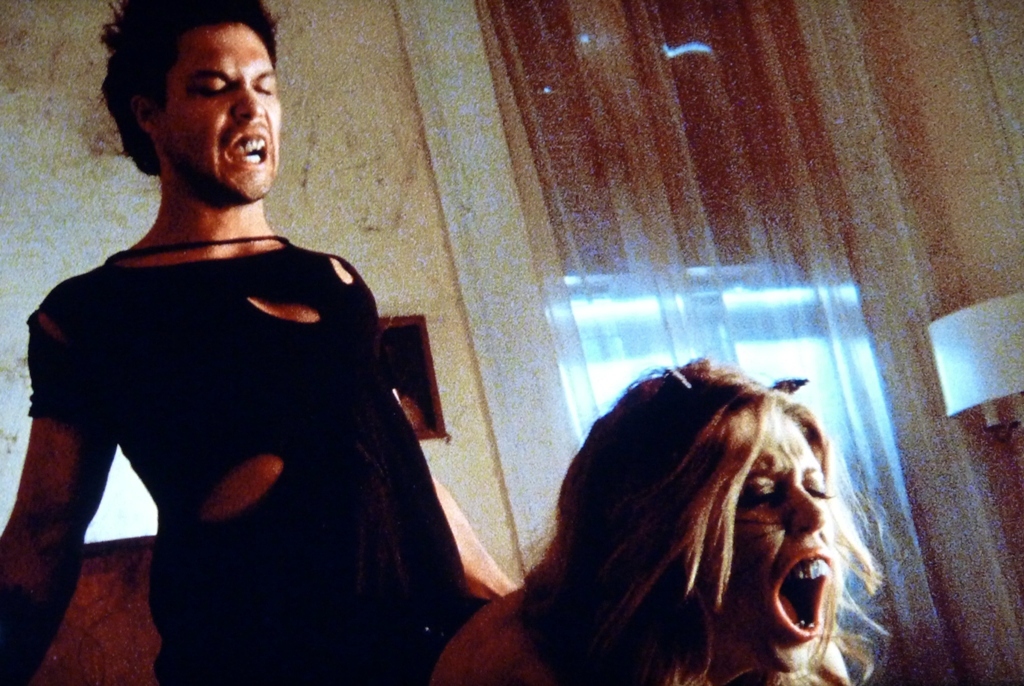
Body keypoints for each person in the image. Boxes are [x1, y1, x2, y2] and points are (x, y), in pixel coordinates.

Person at [0, 1, 513, 684]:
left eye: (264, 86)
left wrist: (515, 605)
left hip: (431, 658)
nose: (251, 107)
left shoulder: (335, 281)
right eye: (214, 88)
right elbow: (43, 532)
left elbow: (401, 469)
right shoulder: (94, 311)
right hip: (253, 659)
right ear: (149, 113)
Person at [431, 359, 881, 686]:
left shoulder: (816, 671)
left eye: (816, 488)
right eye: (762, 494)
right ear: (653, 533)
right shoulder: (513, 667)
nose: (816, 514)